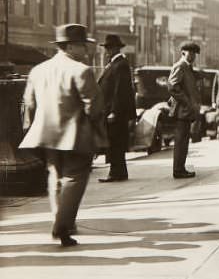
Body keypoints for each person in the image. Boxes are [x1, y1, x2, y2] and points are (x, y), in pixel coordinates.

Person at [19, 23, 105, 247]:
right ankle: (63, 226)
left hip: (45, 134)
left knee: (54, 177)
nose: (86, 50)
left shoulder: (38, 70)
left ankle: (61, 219)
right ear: (72, 46)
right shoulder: (82, 70)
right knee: (74, 178)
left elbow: (29, 103)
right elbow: (94, 108)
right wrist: (98, 133)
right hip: (75, 135)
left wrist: (31, 128)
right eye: (83, 45)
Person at [98, 34, 136, 183]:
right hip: (113, 111)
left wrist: (114, 111)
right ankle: (120, 172)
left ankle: (116, 172)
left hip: (116, 112)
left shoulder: (120, 64)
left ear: (115, 48)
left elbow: (119, 91)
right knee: (116, 142)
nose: (106, 51)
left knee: (115, 143)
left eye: (108, 48)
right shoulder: (114, 64)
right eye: (106, 48)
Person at [167, 42, 202, 178]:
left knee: (184, 141)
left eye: (194, 54)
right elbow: (172, 86)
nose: (192, 56)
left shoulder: (187, 67)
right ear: (183, 53)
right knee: (181, 141)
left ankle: (180, 168)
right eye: (190, 53)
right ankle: (178, 170)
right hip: (181, 111)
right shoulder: (180, 66)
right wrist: (186, 102)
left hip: (186, 111)